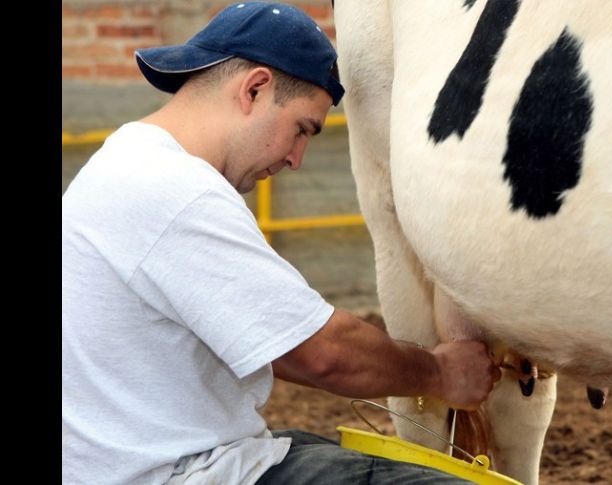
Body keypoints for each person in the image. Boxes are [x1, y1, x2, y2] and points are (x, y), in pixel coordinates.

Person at [62, 2, 502, 484]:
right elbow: (323, 354)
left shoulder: (126, 161)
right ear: (255, 88)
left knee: (314, 446)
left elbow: (274, 340)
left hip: (135, 461)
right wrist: (439, 373)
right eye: (301, 129)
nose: (296, 159)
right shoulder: (174, 190)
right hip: (179, 473)